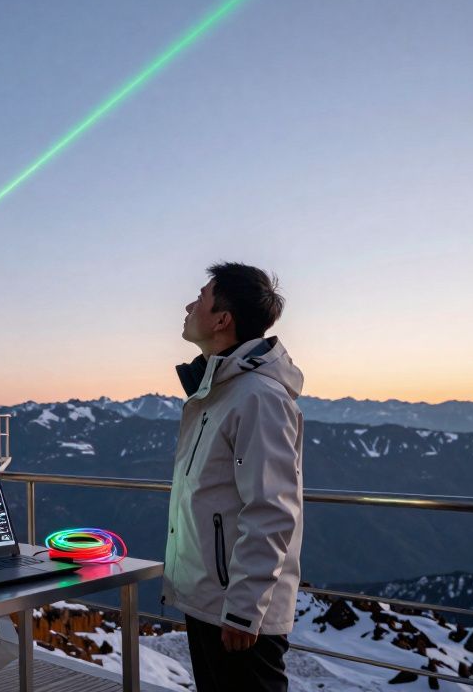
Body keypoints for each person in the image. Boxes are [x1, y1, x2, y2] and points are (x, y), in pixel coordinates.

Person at [160, 262, 304, 692]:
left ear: (222, 319)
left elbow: (272, 509)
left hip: (237, 610)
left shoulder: (258, 397)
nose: (189, 306)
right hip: (213, 599)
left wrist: (244, 607)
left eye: (201, 298)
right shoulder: (221, 391)